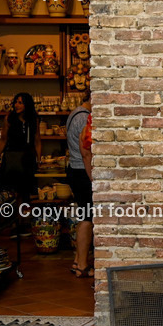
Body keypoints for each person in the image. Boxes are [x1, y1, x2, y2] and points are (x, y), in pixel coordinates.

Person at [0, 92, 41, 237]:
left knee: (25, 192)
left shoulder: (34, 119)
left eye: (20, 102)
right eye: (16, 102)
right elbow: (3, 139)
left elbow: (37, 140)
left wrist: (39, 159)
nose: (17, 105)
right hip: (12, 157)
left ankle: (23, 223)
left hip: (28, 157)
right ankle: (14, 224)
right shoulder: (9, 118)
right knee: (13, 192)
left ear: (27, 104)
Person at [66, 93, 93, 278]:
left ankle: (77, 260)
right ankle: (82, 266)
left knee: (84, 215)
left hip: (74, 169)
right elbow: (86, 152)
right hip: (82, 170)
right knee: (87, 218)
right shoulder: (84, 117)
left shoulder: (74, 113)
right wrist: (92, 177)